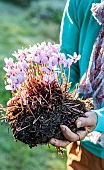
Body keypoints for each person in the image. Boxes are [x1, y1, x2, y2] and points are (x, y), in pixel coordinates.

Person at [49, 0, 104, 169]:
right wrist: (53, 107)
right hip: (88, 147)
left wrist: (99, 119)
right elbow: (67, 64)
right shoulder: (82, 2)